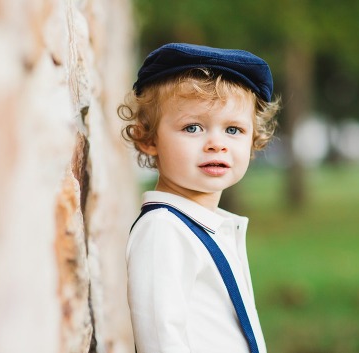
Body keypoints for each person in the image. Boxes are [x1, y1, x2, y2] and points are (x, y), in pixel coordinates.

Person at [118, 43, 280, 353]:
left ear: (253, 140)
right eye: (193, 127)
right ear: (148, 138)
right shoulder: (163, 230)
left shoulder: (206, 225)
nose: (216, 144)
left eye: (233, 130)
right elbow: (160, 338)